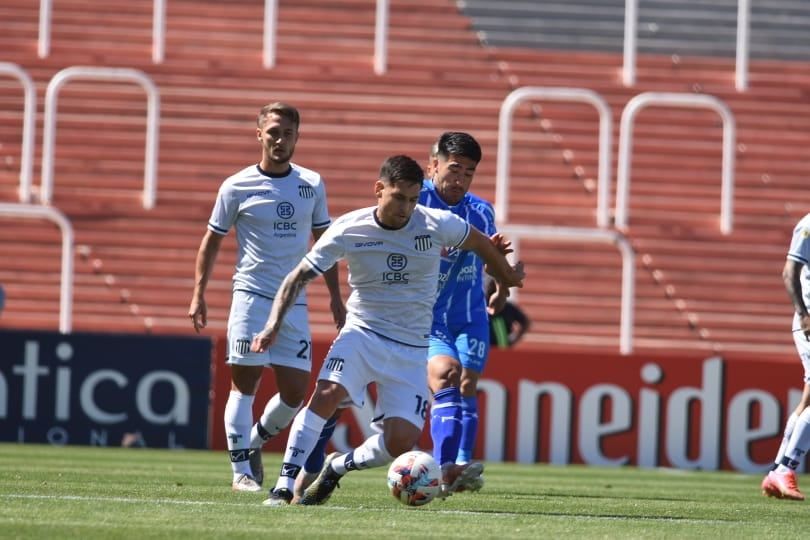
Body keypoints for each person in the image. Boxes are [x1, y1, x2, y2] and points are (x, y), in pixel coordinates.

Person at [251, 154, 525, 506]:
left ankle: (338, 467)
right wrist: (273, 323)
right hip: (362, 333)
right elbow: (298, 276)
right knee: (326, 394)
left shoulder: (435, 222)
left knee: (399, 442)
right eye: (399, 198)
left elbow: (482, 244)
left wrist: (507, 278)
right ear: (378, 190)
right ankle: (284, 486)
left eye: (413, 199)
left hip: (412, 347)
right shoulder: (350, 228)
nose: (406, 208)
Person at [188, 102, 345, 493]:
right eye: (272, 132)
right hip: (251, 296)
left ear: (297, 137)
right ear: (259, 134)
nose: (280, 139)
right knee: (245, 385)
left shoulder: (311, 183)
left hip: (295, 301)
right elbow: (211, 241)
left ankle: (254, 441)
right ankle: (241, 472)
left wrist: (336, 298)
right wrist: (199, 294)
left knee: (294, 393)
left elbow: (324, 244)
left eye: (287, 133)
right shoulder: (236, 185)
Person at [419, 132, 509, 494]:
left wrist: (501, 289)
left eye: (468, 173)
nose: (460, 180)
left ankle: (460, 465)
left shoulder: (482, 211)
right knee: (446, 377)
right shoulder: (415, 201)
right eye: (454, 170)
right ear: (433, 165)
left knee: (466, 381)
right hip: (425, 314)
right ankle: (445, 466)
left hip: (469, 311)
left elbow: (493, 257)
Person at [761, 213, 810, 501]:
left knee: (808, 399)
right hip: (809, 321)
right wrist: (804, 314)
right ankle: (785, 468)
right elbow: (789, 271)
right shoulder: (808, 226)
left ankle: (776, 470)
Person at [487, 278, 531, 348]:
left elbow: (526, 322)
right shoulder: (481, 307)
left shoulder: (508, 308)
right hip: (485, 347)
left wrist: (516, 338)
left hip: (502, 348)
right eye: (491, 289)